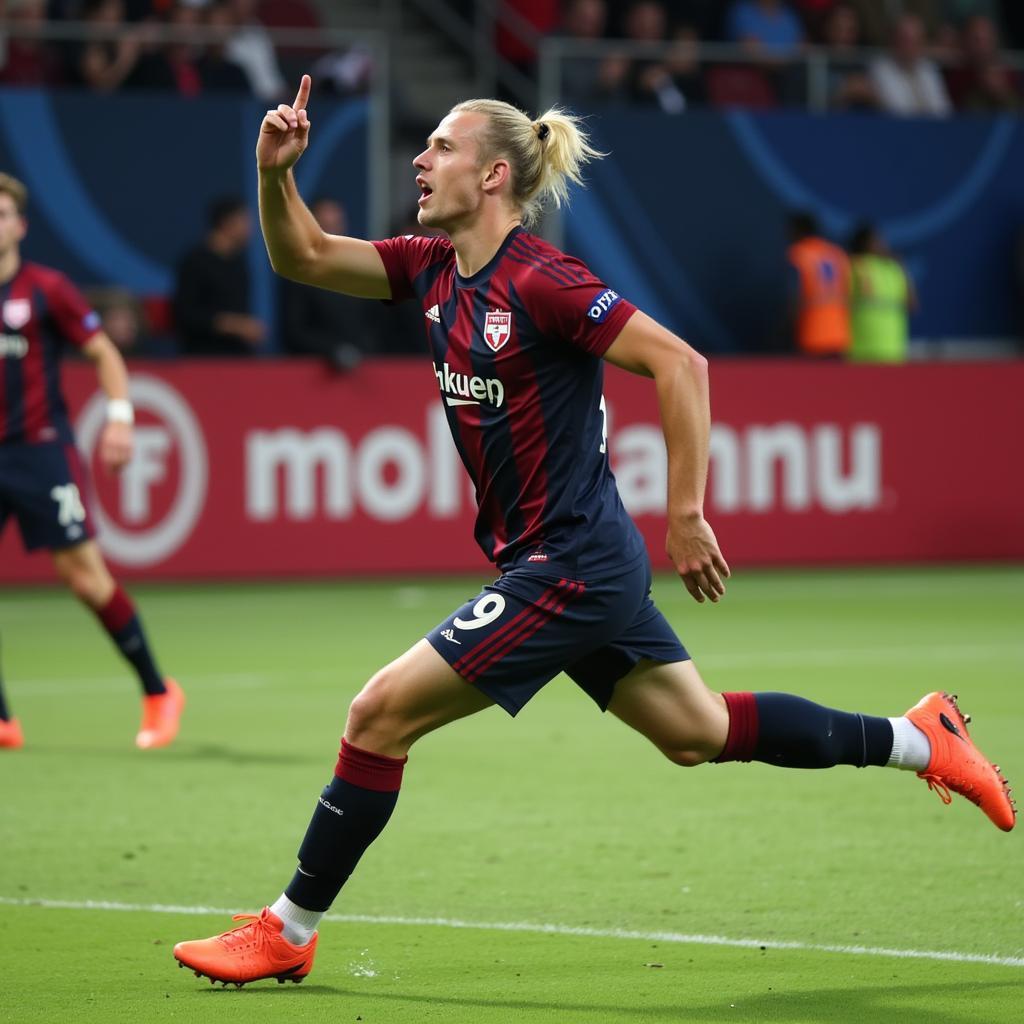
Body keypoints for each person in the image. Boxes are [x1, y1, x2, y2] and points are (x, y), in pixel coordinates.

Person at [172, 75, 1015, 987]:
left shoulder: (543, 278)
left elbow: (680, 364)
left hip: (569, 564)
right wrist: (273, 176)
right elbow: (300, 256)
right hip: (567, 560)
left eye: (442, 148)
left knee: (377, 716)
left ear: (494, 175)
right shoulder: (427, 266)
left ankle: (287, 932)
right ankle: (922, 737)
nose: (420, 159)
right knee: (696, 731)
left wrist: (685, 513)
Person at [0, 173, 184, 751]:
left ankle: (158, 690)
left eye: (3, 213)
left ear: (20, 226)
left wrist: (121, 421)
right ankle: (3, 720)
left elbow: (103, 353)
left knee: (83, 577)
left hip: (38, 452)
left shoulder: (45, 289)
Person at [280, 198, 380, 368]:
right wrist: (333, 350)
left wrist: (365, 349)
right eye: (326, 226)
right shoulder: (297, 273)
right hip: (313, 371)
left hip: (364, 370)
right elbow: (294, 331)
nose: (333, 232)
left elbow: (375, 321)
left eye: (337, 224)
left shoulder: (361, 268)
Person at [172, 196, 266, 356]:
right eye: (245, 221)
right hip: (203, 356)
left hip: (239, 356)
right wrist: (233, 325)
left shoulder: (239, 263)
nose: (251, 229)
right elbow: (186, 314)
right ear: (227, 223)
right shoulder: (194, 262)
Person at [847, 221, 916, 363]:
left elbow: (912, 305)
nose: (882, 244)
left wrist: (903, 269)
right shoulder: (855, 265)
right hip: (861, 349)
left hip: (892, 349)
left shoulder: (894, 268)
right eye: (876, 240)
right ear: (864, 243)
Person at [786, 211, 852, 358]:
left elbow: (794, 298)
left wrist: (786, 329)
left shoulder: (799, 254)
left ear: (799, 230)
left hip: (812, 334)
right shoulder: (837, 253)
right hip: (839, 334)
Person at [869, 13, 952, 116]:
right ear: (893, 40)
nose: (911, 46)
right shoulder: (880, 69)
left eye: (916, 40)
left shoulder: (929, 68)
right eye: (906, 40)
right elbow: (895, 109)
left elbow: (943, 110)